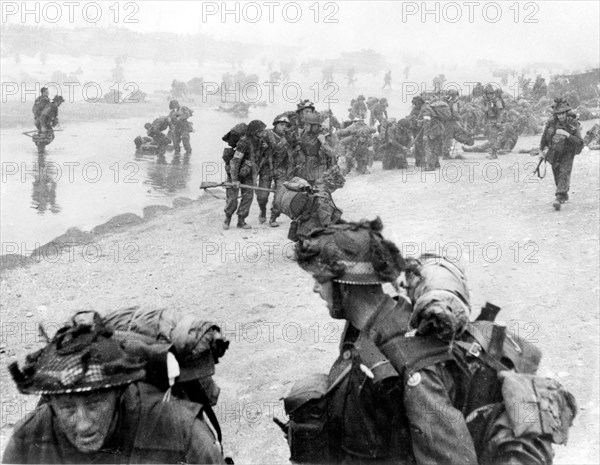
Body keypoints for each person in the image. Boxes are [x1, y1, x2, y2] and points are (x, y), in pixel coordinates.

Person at [284, 219, 479, 464]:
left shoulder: (411, 361)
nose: (315, 289)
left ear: (345, 287)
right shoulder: (363, 326)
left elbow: (452, 458)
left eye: (319, 280)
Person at [3, 311, 225, 464]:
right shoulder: (28, 438)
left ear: (119, 392)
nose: (82, 425)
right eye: (67, 408)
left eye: (94, 404)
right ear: (51, 402)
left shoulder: (181, 432)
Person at [539, 98, 584, 210]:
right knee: (557, 173)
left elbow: (579, 142)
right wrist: (541, 150)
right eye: (558, 114)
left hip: (568, 151)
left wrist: (567, 134)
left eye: (563, 113)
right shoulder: (551, 122)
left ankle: (559, 197)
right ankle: (563, 194)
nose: (561, 116)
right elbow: (544, 137)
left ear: (566, 112)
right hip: (554, 151)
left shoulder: (573, 123)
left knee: (564, 172)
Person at [224, 121, 266, 229]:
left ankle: (241, 221)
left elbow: (259, 158)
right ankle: (228, 218)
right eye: (261, 131)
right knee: (232, 199)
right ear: (255, 132)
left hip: (248, 174)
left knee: (248, 197)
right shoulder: (243, 142)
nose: (263, 133)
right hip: (235, 173)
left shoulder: (260, 142)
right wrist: (234, 180)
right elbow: (235, 161)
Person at [296, 113, 336, 184]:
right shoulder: (304, 134)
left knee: (318, 191)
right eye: (304, 124)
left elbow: (332, 153)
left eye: (307, 125)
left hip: (319, 169)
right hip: (305, 169)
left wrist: (323, 143)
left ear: (314, 126)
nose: (304, 126)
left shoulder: (324, 135)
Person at [481, 84, 505, 159]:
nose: (490, 95)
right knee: (490, 138)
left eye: (492, 93)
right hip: (489, 121)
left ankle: (494, 154)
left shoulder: (496, 100)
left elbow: (501, 112)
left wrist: (499, 122)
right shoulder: (486, 101)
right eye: (489, 93)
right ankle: (492, 152)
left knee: (493, 138)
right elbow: (484, 110)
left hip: (495, 121)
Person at [442, 89, 466, 160]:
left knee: (447, 138)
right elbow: (455, 113)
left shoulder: (446, 102)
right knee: (448, 139)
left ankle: (446, 153)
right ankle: (446, 155)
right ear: (455, 95)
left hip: (445, 122)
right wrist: (461, 118)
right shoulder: (454, 102)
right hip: (451, 123)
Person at [408, 95, 426, 167]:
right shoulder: (415, 109)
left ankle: (420, 160)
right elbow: (411, 117)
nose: (415, 105)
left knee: (420, 145)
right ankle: (419, 161)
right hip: (416, 129)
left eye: (417, 103)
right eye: (415, 104)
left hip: (421, 129)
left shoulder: (423, 108)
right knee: (418, 145)